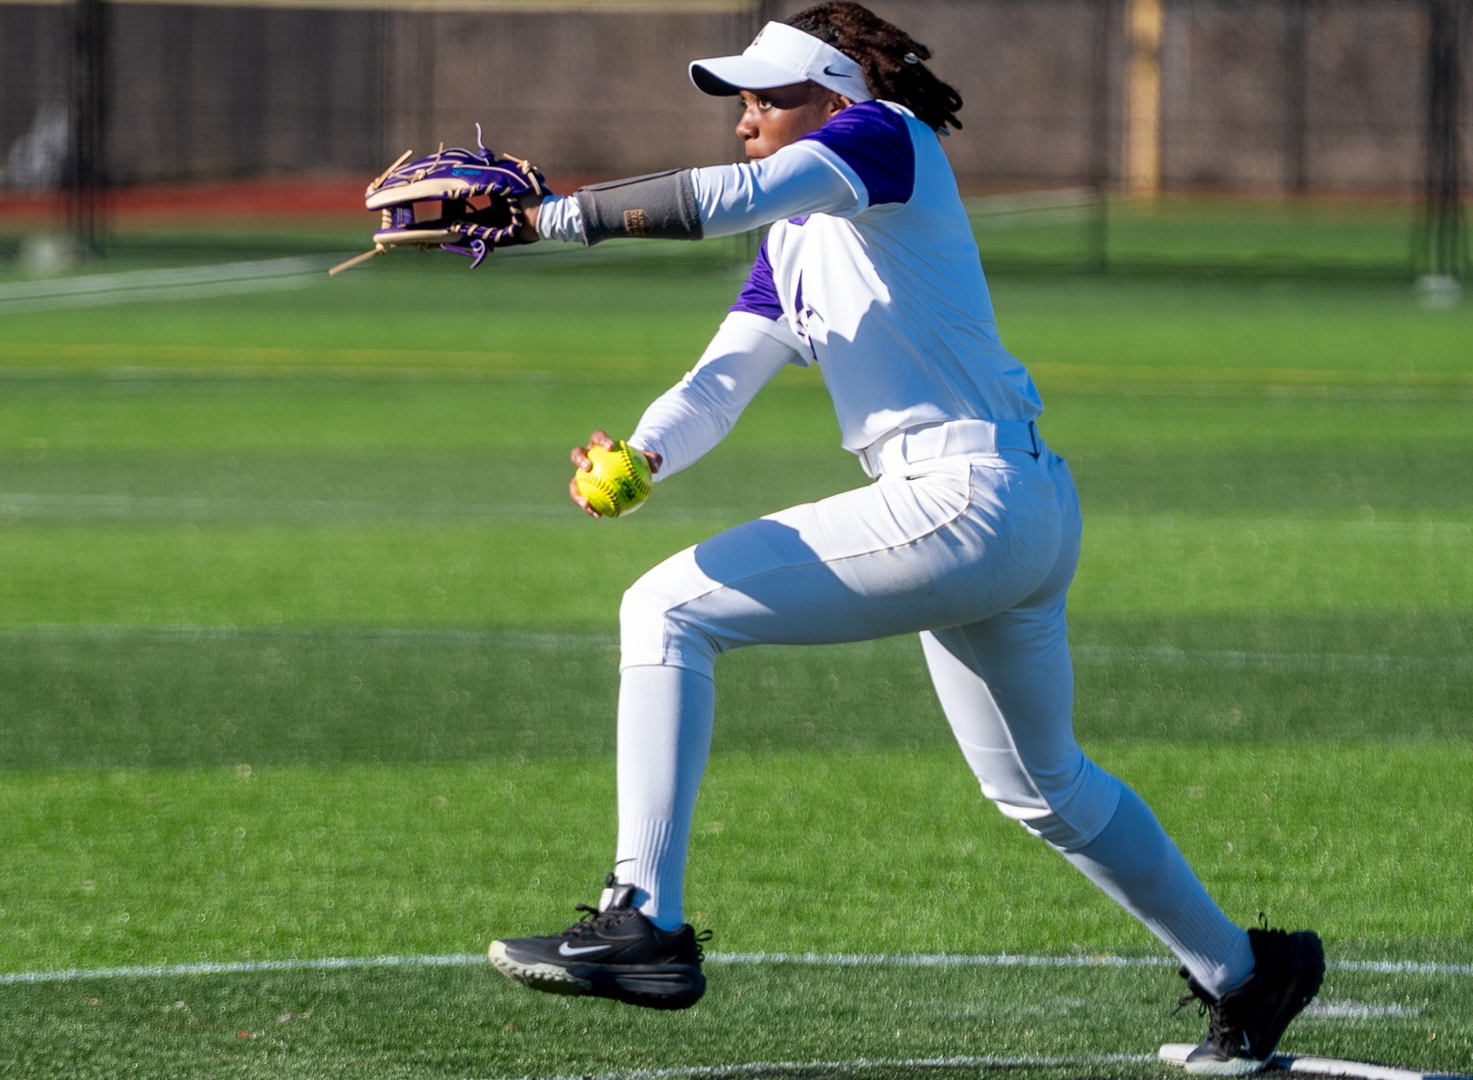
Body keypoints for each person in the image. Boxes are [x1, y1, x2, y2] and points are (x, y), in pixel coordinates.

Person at [483, 4, 1324, 1072]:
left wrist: (545, 218)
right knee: (1043, 786)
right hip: (1010, 506)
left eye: (769, 97)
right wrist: (643, 456)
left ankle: (643, 920)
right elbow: (721, 379)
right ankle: (1249, 972)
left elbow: (729, 196)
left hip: (966, 497)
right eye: (739, 100)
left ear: (835, 97)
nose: (746, 118)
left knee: (664, 609)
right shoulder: (795, 242)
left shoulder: (882, 137)